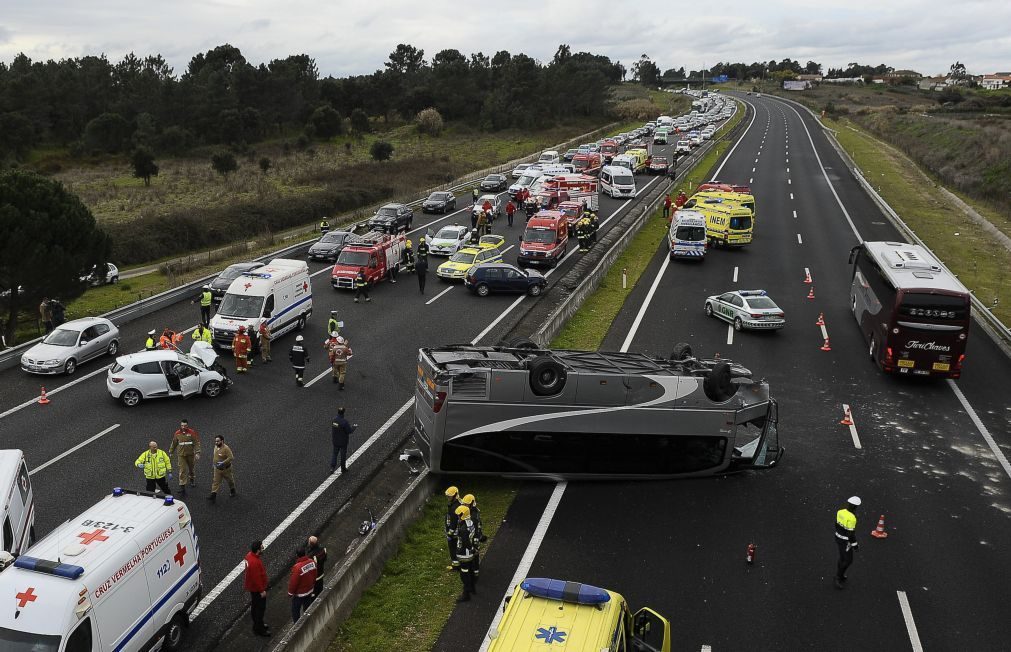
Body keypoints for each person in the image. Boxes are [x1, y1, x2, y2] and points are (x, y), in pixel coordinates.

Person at [243, 541, 271, 637]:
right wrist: (262, 590)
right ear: (258, 550)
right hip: (257, 589)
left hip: (253, 588)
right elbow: (256, 578)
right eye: (261, 548)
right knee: (260, 609)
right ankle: (259, 629)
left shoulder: (249, 556)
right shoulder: (255, 562)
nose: (263, 548)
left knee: (255, 607)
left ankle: (257, 625)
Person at [168, 420, 201, 495]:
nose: (183, 427)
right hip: (181, 455)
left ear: (187, 425)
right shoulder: (177, 433)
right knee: (182, 470)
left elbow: (196, 443)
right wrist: (171, 451)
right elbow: (174, 443)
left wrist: (198, 452)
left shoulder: (192, 432)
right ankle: (182, 486)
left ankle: (192, 479)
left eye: (185, 425)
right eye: (182, 425)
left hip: (190, 454)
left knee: (191, 468)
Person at [834, 496, 861, 589]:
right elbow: (851, 535)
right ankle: (838, 577)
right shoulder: (852, 518)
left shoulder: (840, 511)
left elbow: (836, 524)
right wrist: (855, 546)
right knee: (848, 560)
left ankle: (840, 575)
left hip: (837, 537)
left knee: (842, 558)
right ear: (856, 507)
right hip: (845, 541)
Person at [288, 547, 317, 623]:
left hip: (300, 594)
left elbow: (293, 582)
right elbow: (314, 575)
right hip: (310, 590)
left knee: (295, 610)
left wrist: (290, 593)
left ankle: (297, 624)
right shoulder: (312, 562)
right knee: (307, 607)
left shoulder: (297, 567)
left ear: (297, 555)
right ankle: (307, 620)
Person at [454, 505, 478, 602]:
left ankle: (466, 594)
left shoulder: (463, 529)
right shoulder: (470, 522)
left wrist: (472, 549)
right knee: (470, 571)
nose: (457, 516)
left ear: (462, 515)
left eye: (459, 515)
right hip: (469, 554)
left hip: (464, 554)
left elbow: (466, 542)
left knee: (464, 574)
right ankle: (472, 588)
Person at [207, 435, 235, 501]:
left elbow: (231, 457)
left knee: (230, 481)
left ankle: (232, 490)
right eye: (215, 441)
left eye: (218, 441)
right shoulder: (216, 447)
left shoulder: (226, 448)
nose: (216, 442)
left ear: (222, 441)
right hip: (217, 469)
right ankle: (213, 496)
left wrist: (223, 463)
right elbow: (215, 456)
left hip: (226, 469)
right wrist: (213, 464)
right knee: (215, 482)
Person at [330, 407, 357, 473]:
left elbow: (335, 427)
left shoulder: (334, 420)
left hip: (335, 441)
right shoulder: (344, 422)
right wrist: (354, 427)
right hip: (343, 442)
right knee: (343, 455)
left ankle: (332, 468)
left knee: (335, 454)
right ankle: (343, 468)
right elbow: (349, 431)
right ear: (343, 413)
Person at [444, 486, 463, 570]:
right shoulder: (459, 501)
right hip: (459, 529)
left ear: (455, 495)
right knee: (458, 546)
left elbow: (453, 522)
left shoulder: (454, 507)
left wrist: (450, 533)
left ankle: (456, 565)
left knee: (452, 547)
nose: (448, 497)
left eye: (449, 496)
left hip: (454, 531)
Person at [307, 536, 328, 602]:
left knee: (313, 593)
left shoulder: (310, 556)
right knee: (320, 588)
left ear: (310, 544)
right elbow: (325, 559)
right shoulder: (323, 549)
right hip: (321, 573)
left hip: (314, 577)